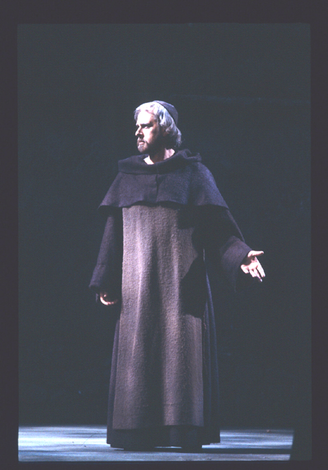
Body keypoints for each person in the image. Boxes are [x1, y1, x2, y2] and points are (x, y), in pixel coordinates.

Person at [89, 100, 265, 452]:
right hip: (137, 287)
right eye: (137, 126)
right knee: (138, 355)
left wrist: (241, 255)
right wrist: (106, 280)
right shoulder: (127, 176)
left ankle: (181, 432)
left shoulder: (194, 174)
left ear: (165, 129)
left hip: (180, 288)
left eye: (146, 126)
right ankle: (135, 432)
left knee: (180, 355)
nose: (137, 132)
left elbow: (217, 232)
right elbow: (113, 233)